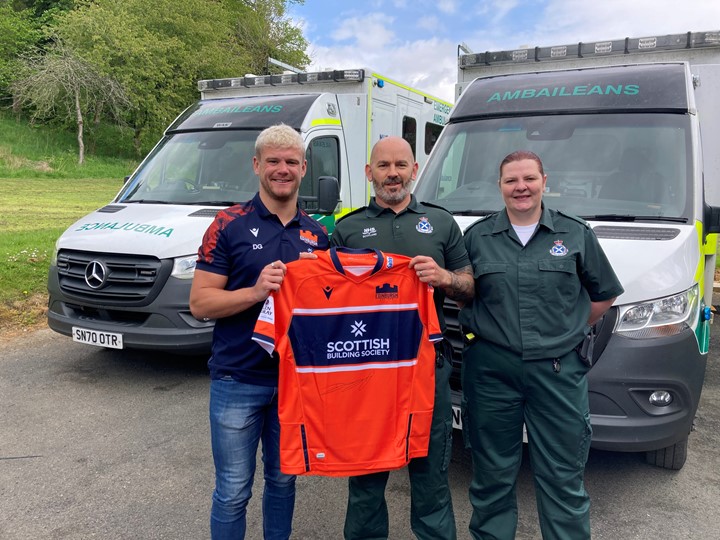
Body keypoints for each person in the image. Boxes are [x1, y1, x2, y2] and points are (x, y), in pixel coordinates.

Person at [459, 150, 624, 540]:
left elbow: (603, 295)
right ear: (499, 186)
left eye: (529, 179)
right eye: (511, 180)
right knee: (492, 476)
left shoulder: (575, 233)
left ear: (544, 181)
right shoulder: (477, 237)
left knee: (563, 477)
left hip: (557, 372)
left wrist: (567, 330)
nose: (521, 187)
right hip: (491, 373)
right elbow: (463, 294)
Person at [189, 124, 329, 540]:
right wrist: (254, 291)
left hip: (293, 384)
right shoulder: (227, 224)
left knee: (284, 482)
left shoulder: (318, 234)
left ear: (304, 168)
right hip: (237, 378)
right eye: (273, 161)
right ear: (256, 165)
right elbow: (200, 304)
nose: (282, 169)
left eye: (290, 162)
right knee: (233, 491)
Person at [331, 136, 475, 540]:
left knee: (430, 477)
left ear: (415, 169)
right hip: (366, 370)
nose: (392, 173)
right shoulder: (347, 228)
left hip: (427, 366)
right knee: (365, 481)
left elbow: (470, 285)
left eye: (400, 165)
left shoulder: (441, 223)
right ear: (369, 172)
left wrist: (445, 278)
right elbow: (328, 301)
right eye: (383, 166)